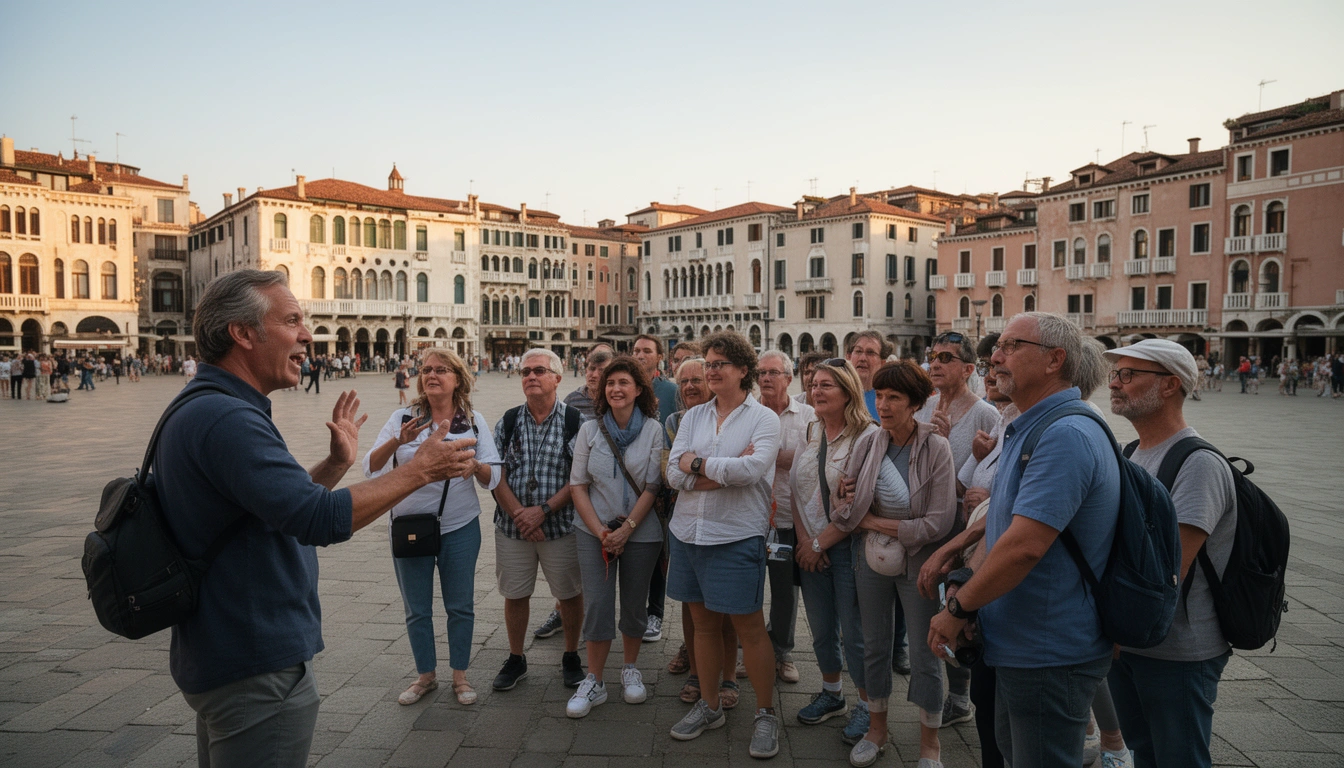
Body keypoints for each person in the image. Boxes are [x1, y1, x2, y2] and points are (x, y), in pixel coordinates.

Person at [154, 270, 477, 767]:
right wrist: (419, 470)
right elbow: (319, 520)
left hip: (226, 649)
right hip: (253, 656)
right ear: (242, 333)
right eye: (291, 321)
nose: (307, 334)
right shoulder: (227, 419)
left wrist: (333, 466)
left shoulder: (208, 407)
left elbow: (269, 509)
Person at [928, 312, 1121, 768]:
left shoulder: (1065, 435)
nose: (994, 356)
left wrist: (958, 608)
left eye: (1012, 346)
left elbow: (1025, 545)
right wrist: (966, 580)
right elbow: (1003, 525)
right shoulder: (1028, 425)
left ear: (1055, 360)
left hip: (1048, 648)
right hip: (1020, 641)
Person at [1105, 340, 1236, 768]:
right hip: (1130, 642)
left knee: (1179, 758)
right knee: (1145, 752)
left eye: (1129, 375)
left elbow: (1168, 568)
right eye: (1115, 374)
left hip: (1178, 651)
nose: (1115, 384)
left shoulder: (1197, 463)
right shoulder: (1130, 454)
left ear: (1169, 386)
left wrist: (1118, 632)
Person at [831, 360, 957, 768]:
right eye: (879, 396)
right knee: (874, 647)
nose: (882, 405)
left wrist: (872, 521)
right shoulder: (869, 442)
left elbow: (938, 521)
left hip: (921, 563)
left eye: (893, 398)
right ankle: (877, 731)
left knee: (926, 653)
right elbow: (846, 500)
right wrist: (841, 492)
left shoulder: (936, 447)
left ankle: (929, 746)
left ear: (916, 403)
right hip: (872, 558)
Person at [666, 331, 782, 759]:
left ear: (743, 370)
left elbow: (752, 470)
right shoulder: (693, 417)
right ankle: (709, 704)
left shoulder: (763, 419)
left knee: (749, 627)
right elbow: (671, 476)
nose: (711, 371)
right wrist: (717, 472)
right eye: (708, 363)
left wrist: (695, 465)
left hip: (736, 535)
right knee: (703, 624)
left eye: (720, 364)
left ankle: (766, 714)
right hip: (688, 533)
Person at [364, 348, 501, 709]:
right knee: (417, 608)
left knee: (461, 606)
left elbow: (494, 475)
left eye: (441, 369)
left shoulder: (473, 420)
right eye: (426, 370)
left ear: (458, 378)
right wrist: (399, 441)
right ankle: (425, 675)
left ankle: (460, 675)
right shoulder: (403, 417)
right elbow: (370, 467)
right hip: (409, 526)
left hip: (459, 526)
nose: (432, 375)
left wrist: (475, 469)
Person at [565, 355, 666, 718]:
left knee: (635, 602)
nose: (616, 389)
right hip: (593, 530)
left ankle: (630, 667)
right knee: (596, 602)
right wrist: (602, 532)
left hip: (642, 531)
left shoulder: (654, 430)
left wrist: (626, 530)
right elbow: (577, 485)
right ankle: (594, 679)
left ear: (639, 389)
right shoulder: (590, 430)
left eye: (623, 382)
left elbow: (653, 485)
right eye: (610, 383)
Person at [789, 359, 877, 749]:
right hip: (810, 546)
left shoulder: (867, 437)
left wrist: (820, 543)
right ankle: (831, 692)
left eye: (827, 385)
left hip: (848, 549)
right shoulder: (812, 429)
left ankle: (867, 704)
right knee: (822, 629)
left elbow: (858, 505)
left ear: (848, 392)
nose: (816, 391)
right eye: (814, 384)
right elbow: (796, 488)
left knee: (855, 634)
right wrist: (805, 541)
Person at [490, 348, 587, 692]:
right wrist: (520, 514)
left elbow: (580, 478)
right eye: (525, 371)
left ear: (557, 378)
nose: (530, 376)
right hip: (513, 528)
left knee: (570, 593)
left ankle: (571, 655)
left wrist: (542, 511)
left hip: (560, 527)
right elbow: (494, 472)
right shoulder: (510, 420)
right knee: (515, 594)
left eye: (539, 371)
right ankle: (516, 658)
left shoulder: (577, 422)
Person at [663, 356, 742, 707]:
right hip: (680, 522)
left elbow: (745, 471)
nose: (692, 386)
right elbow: (671, 476)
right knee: (691, 605)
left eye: (698, 379)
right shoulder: (676, 421)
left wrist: (694, 473)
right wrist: (721, 476)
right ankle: (697, 671)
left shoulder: (730, 418)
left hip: (725, 527)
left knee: (723, 608)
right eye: (685, 381)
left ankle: (727, 675)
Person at [756, 350, 812, 685]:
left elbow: (807, 459)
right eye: (761, 372)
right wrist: (783, 457)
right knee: (747, 589)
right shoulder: (746, 413)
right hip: (750, 516)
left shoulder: (806, 415)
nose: (765, 378)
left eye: (773, 372)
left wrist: (766, 456)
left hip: (790, 517)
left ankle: (782, 653)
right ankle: (751, 650)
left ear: (788, 378)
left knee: (784, 591)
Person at [631, 334, 679, 642]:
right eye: (636, 350)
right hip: (630, 482)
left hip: (661, 484)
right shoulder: (625, 385)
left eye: (646, 351)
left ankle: (655, 612)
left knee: (659, 552)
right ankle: (633, 610)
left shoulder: (670, 390)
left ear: (659, 357)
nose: (640, 355)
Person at [562, 345, 614, 421]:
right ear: (586, 371)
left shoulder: (615, 399)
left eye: (602, 370)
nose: (594, 375)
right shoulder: (572, 400)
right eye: (592, 369)